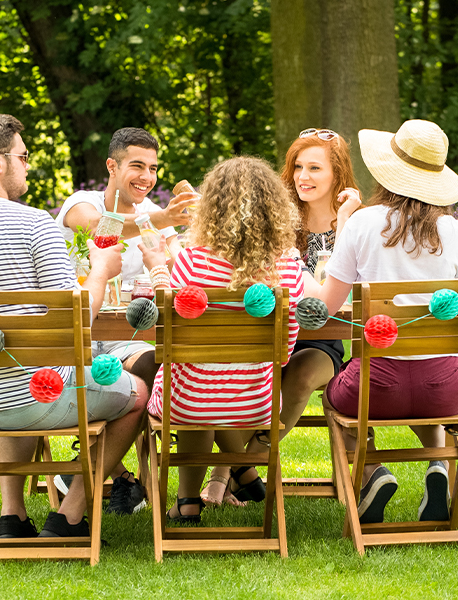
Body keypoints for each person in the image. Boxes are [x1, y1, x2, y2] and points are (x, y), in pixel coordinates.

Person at [0, 112, 149, 538]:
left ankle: (12, 517)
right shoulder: (34, 223)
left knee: (15, 372)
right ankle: (71, 515)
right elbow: (76, 319)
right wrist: (100, 270)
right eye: (23, 157)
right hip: (41, 395)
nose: (28, 165)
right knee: (137, 393)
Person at [314, 119, 458, 524]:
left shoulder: (364, 224)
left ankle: (372, 473)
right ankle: (438, 467)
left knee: (333, 393)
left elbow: (329, 305)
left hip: (376, 389)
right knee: (425, 388)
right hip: (446, 390)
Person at [199, 128, 362, 507]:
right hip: (265, 335)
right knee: (243, 377)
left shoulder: (356, 221)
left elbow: (343, 293)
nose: (303, 176)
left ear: (337, 174)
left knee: (303, 375)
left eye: (315, 168)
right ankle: (236, 476)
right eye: (298, 167)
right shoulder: (278, 217)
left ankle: (241, 466)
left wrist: (347, 222)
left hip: (320, 338)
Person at [139, 156, 305, 523]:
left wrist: (156, 266)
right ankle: (242, 471)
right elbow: (286, 349)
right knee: (215, 384)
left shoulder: (192, 262)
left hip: (185, 403)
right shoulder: (289, 266)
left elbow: (163, 331)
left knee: (198, 383)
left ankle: (188, 501)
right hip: (256, 403)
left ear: (211, 207)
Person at [52, 127, 195, 513]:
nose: (146, 177)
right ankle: (118, 476)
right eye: (137, 166)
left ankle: (91, 469)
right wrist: (161, 219)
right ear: (112, 166)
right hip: (78, 335)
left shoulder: (154, 215)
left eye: (152, 168)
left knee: (154, 365)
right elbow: (99, 230)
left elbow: (181, 268)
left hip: (128, 337)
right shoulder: (82, 202)